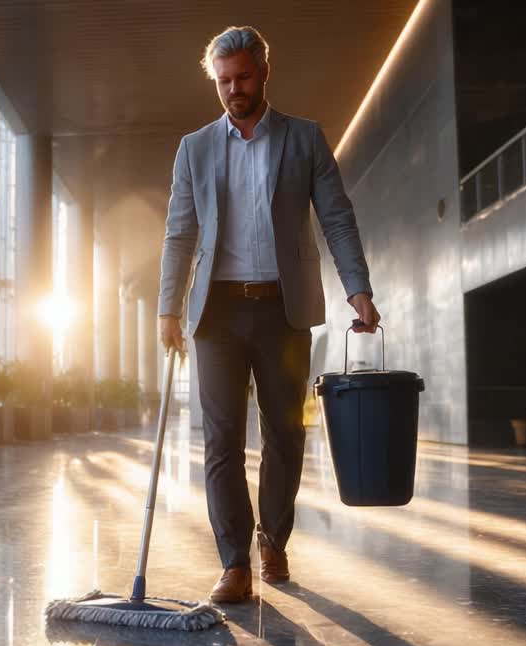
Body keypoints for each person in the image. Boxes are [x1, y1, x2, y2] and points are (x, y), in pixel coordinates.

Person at [157, 26, 380, 603]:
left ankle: (273, 538)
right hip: (217, 314)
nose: (234, 90)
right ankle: (234, 562)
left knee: (285, 431)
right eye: (224, 82)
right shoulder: (195, 148)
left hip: (284, 309)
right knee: (222, 438)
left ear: (264, 73)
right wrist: (167, 308)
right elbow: (180, 234)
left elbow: (337, 218)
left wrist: (357, 288)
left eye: (243, 78)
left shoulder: (304, 140)